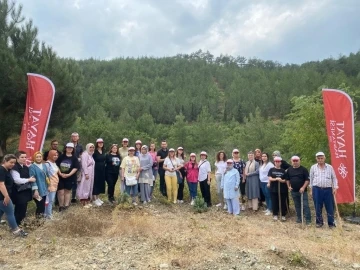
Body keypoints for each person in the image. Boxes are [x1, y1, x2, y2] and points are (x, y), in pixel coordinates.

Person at [0, 154, 28, 237]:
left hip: (4, 195)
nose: (12, 164)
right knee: (10, 213)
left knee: (1, 212)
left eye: (14, 163)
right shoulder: (1, 170)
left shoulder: (6, 170)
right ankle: (16, 231)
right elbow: (1, 184)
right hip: (2, 196)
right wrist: (6, 196)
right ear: (5, 161)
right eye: (10, 162)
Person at [309, 152, 338, 228]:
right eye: (318, 158)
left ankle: (331, 223)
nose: (320, 160)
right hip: (317, 189)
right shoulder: (313, 167)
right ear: (316, 159)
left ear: (324, 158)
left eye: (321, 158)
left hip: (328, 190)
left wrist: (335, 187)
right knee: (318, 206)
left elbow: (334, 178)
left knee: (330, 207)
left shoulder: (330, 167)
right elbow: (311, 179)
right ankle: (319, 222)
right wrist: (311, 190)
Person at [285, 155, 311, 225]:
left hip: (303, 191)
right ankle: (299, 218)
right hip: (293, 191)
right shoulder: (289, 170)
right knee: (297, 205)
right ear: (291, 161)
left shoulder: (304, 169)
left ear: (299, 161)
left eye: (297, 161)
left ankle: (308, 220)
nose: (295, 162)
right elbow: (287, 179)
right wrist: (288, 186)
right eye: (294, 161)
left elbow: (307, 180)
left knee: (305, 205)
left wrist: (303, 187)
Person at [11, 151, 35, 225]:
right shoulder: (14, 167)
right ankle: (16, 225)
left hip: (25, 191)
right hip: (18, 192)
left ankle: (22, 223)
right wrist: (29, 179)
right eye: (22, 157)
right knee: (19, 210)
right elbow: (16, 180)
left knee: (23, 209)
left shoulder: (25, 167)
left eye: (25, 157)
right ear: (17, 158)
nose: (24, 159)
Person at [57, 143, 80, 211]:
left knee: (67, 191)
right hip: (60, 177)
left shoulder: (74, 157)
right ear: (66, 148)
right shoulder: (61, 156)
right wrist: (60, 173)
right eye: (68, 147)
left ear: (73, 149)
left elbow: (76, 167)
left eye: (71, 148)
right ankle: (61, 206)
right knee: (60, 192)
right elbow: (57, 165)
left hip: (70, 177)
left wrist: (69, 174)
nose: (69, 149)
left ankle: (66, 205)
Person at [29, 152, 48, 218]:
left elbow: (47, 176)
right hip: (37, 190)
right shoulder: (32, 167)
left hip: (44, 188)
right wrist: (35, 190)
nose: (39, 158)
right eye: (37, 157)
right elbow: (32, 179)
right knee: (40, 206)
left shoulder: (44, 165)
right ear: (34, 158)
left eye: (40, 156)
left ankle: (41, 221)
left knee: (43, 205)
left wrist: (48, 186)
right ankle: (38, 222)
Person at [268, 156, 287, 221]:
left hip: (282, 189)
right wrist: (275, 179)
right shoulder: (271, 170)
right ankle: (275, 214)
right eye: (276, 161)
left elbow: (286, 180)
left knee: (282, 202)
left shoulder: (283, 171)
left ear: (280, 163)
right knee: (274, 202)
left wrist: (281, 180)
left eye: (278, 162)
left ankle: (283, 215)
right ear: (274, 162)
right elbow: (270, 178)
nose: (277, 163)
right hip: (273, 188)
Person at [77, 143, 95, 208]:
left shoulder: (91, 155)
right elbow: (84, 164)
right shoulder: (85, 154)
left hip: (91, 173)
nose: (92, 148)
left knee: (88, 186)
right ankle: (83, 201)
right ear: (87, 147)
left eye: (93, 147)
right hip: (86, 173)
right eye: (90, 147)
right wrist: (86, 173)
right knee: (84, 186)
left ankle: (87, 200)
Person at [44, 150, 60, 219]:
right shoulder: (47, 164)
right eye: (54, 155)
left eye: (57, 155)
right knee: (49, 200)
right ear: (50, 155)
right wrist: (48, 185)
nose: (56, 156)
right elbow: (46, 175)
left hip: (55, 183)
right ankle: (48, 215)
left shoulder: (54, 163)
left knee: (51, 200)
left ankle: (47, 214)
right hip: (50, 184)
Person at [69, 132, 83, 203]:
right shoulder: (68, 145)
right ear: (71, 138)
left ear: (78, 138)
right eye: (73, 136)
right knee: (69, 181)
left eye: (76, 136)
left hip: (77, 166)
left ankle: (73, 197)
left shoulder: (80, 146)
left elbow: (81, 155)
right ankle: (67, 197)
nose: (74, 138)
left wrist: (80, 159)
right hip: (69, 166)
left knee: (76, 181)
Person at [92, 138, 106, 206]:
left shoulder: (103, 151)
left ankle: (98, 197)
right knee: (96, 183)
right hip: (96, 168)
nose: (100, 144)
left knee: (100, 183)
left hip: (102, 168)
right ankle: (94, 199)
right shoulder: (94, 151)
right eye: (99, 143)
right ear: (97, 143)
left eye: (102, 143)